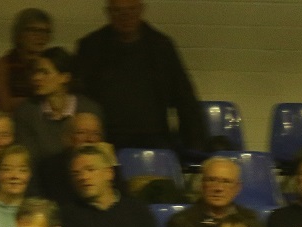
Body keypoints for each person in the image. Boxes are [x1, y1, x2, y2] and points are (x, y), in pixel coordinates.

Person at [74, 0, 205, 152]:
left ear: (141, 10)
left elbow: (184, 98)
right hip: (104, 139)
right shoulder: (91, 47)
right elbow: (79, 98)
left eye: (131, 9)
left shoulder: (161, 47)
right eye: (118, 11)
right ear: (108, 12)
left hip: (153, 139)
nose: (125, 16)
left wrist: (196, 145)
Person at [13, 46, 103, 163]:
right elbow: (28, 159)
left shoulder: (90, 109)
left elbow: (98, 154)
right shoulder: (26, 112)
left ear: (65, 77)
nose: (36, 77)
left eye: (45, 72)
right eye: (36, 72)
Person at [0, 8, 52, 113]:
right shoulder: (3, 65)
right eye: (34, 31)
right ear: (19, 34)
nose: (41, 37)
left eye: (45, 32)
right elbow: (0, 107)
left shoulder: (51, 66)